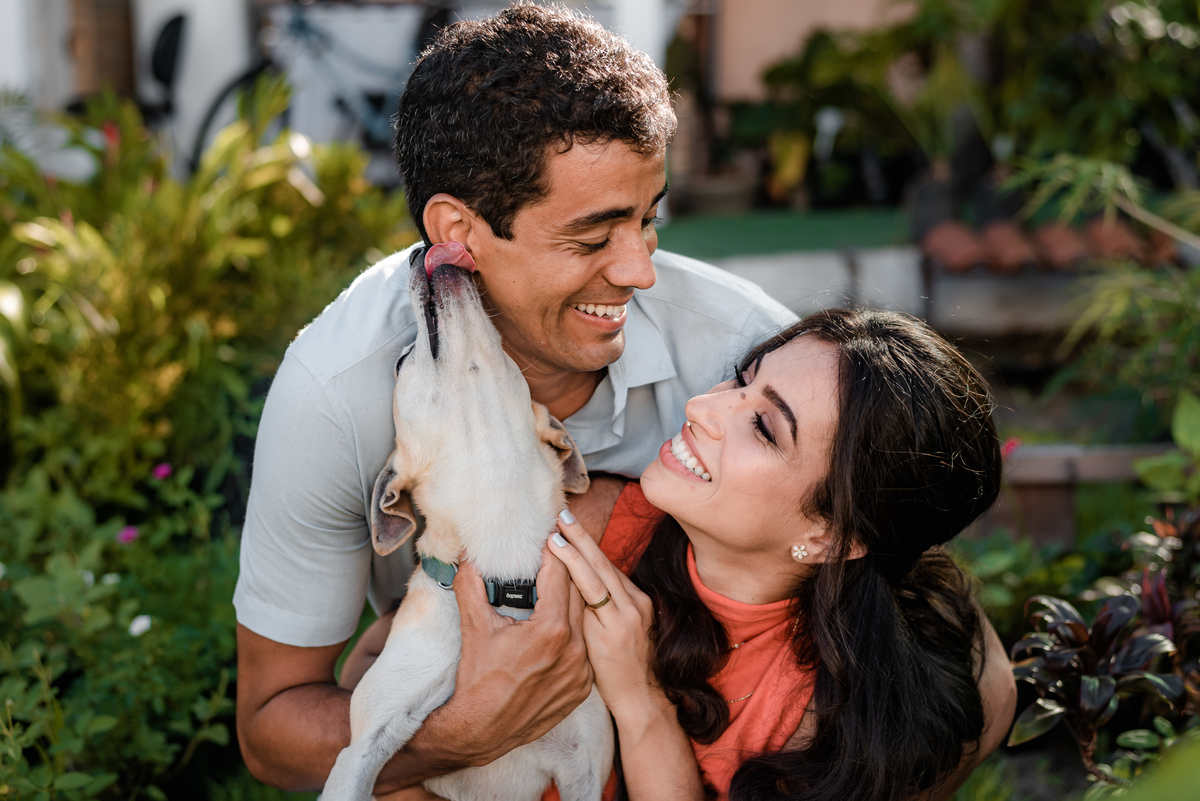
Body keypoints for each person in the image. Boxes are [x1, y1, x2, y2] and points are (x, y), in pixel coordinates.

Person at [233, 4, 795, 795]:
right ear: (457, 231)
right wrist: (468, 727)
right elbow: (271, 724)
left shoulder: (747, 356)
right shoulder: (337, 390)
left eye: (649, 218)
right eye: (594, 237)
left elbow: (949, 659)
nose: (639, 270)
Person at [545, 308, 1018, 801]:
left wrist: (641, 700)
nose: (701, 406)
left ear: (828, 539)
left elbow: (995, 690)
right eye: (739, 380)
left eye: (764, 428)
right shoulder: (592, 527)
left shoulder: (827, 728)